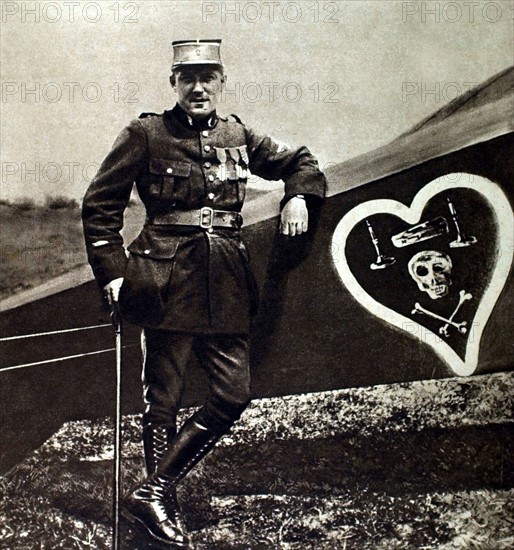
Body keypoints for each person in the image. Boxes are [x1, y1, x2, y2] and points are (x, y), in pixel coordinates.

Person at [82, 39, 326, 547]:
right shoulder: (146, 133)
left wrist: (298, 196)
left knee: (233, 395)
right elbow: (100, 204)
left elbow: (301, 160)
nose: (198, 87)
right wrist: (112, 271)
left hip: (227, 280)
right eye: (187, 78)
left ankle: (152, 490)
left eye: (208, 77)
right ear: (173, 82)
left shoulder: (239, 133)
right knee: (162, 398)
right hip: (163, 279)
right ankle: (158, 505)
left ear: (222, 80)